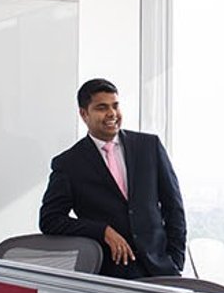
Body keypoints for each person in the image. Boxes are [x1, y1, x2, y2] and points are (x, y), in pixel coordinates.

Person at [38, 78, 187, 279]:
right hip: (108, 273)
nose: (112, 114)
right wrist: (102, 231)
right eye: (101, 108)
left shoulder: (149, 146)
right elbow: (50, 220)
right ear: (84, 114)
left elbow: (173, 206)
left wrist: (175, 260)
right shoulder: (68, 164)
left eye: (115, 106)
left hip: (160, 269)